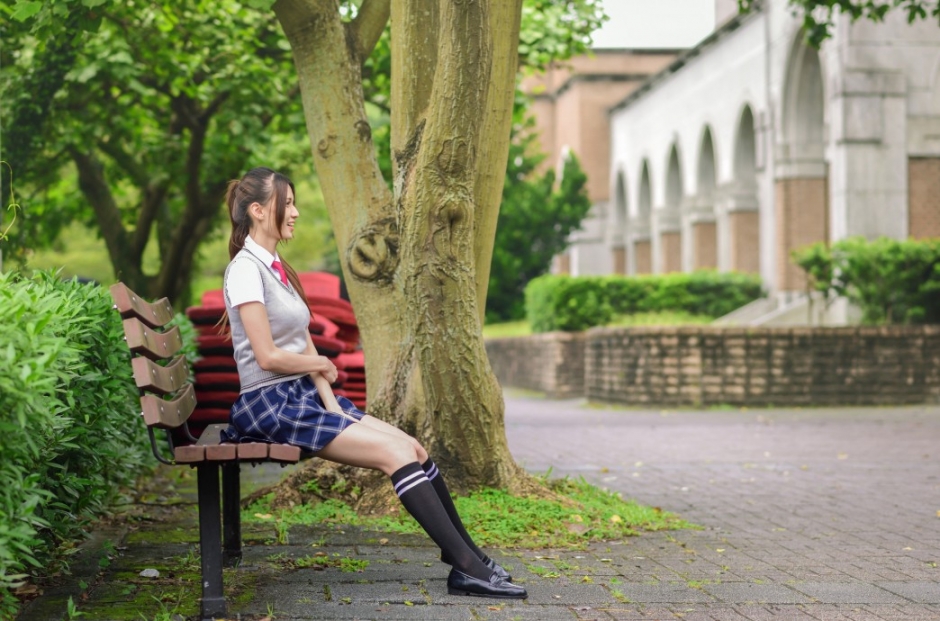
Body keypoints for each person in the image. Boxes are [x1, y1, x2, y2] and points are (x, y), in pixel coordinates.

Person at [221, 167, 526, 599]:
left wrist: (332, 405)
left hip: (303, 396)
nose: (295, 212)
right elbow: (268, 356)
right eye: (286, 203)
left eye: (292, 203)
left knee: (414, 448)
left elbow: (307, 349)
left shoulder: (276, 269)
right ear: (257, 210)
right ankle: (467, 567)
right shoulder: (244, 270)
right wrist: (322, 365)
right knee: (394, 454)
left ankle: (469, 558)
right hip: (269, 403)